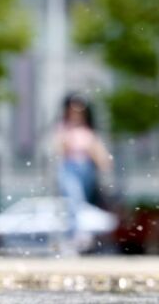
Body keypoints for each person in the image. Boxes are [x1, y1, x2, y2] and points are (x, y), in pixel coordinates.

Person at [54, 94, 112, 253]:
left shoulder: (88, 130)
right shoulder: (64, 127)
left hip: (86, 168)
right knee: (74, 198)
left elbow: (97, 150)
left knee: (81, 203)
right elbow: (59, 149)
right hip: (69, 167)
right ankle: (77, 235)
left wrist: (104, 163)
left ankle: (80, 235)